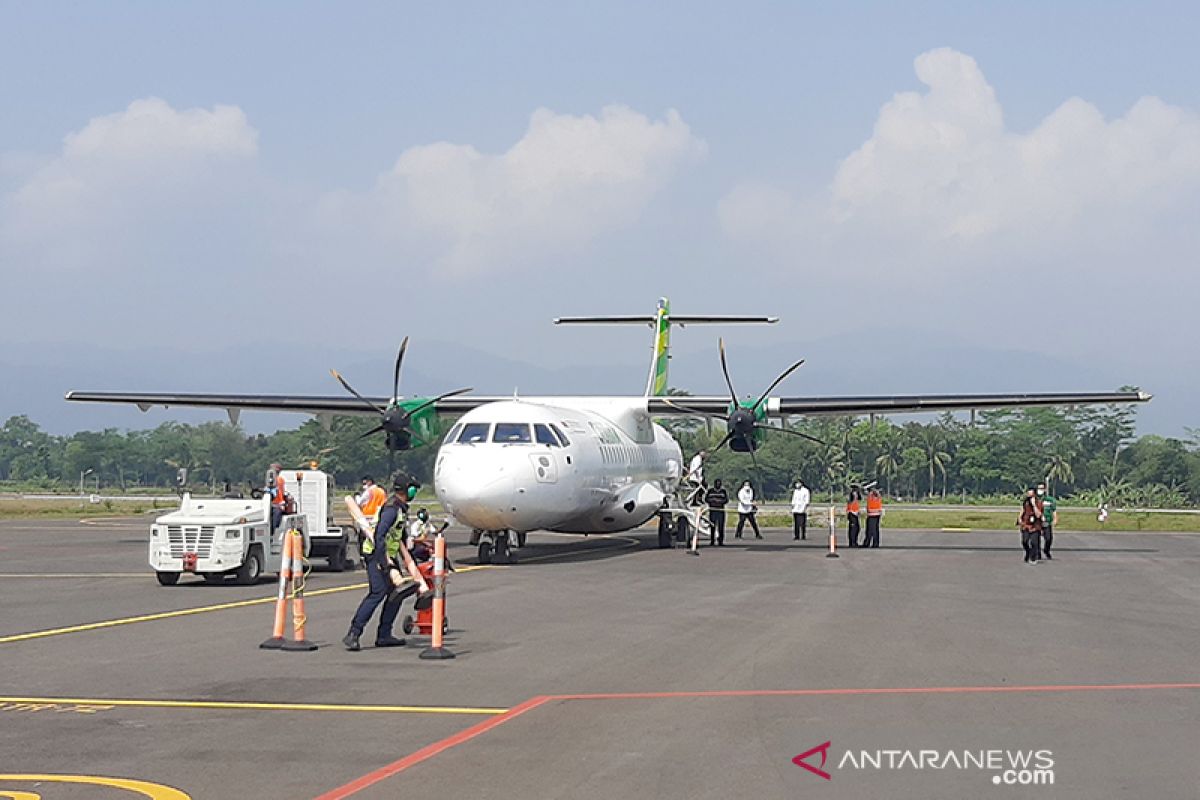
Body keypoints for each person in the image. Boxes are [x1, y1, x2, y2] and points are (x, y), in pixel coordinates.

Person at [343, 479, 411, 650]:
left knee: (396, 594)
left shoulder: (400, 509)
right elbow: (379, 536)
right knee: (377, 592)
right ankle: (354, 633)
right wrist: (385, 564)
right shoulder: (391, 510)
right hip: (376, 554)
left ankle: (384, 635)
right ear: (406, 490)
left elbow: (398, 538)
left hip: (389, 554)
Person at [1018, 489, 1043, 565]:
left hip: (1035, 525)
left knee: (1034, 542)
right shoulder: (1025, 502)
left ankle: (1033, 557)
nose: (1029, 497)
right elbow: (1022, 510)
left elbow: (1038, 515)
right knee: (1024, 541)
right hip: (1026, 524)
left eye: (1031, 495)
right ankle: (1028, 552)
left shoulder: (1038, 503)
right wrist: (1019, 518)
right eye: (1028, 495)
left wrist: (1034, 505)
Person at [705, 479, 729, 546]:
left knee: (721, 527)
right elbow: (706, 499)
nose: (718, 484)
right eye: (717, 483)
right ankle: (712, 541)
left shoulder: (723, 491)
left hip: (720, 511)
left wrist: (719, 502)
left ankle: (720, 541)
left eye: (719, 483)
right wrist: (712, 501)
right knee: (712, 526)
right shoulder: (710, 491)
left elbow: (726, 500)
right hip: (713, 511)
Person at [1037, 482, 1058, 559]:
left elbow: (1054, 510)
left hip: (1047, 521)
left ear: (1045, 489)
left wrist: (1055, 518)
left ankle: (1046, 550)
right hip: (1037, 522)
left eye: (1042, 488)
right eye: (1039, 488)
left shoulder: (1050, 500)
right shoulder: (1035, 499)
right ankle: (1037, 553)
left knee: (1048, 538)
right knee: (1036, 538)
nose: (1040, 490)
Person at [267, 463, 286, 533]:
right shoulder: (272, 480)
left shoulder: (279, 480)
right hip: (271, 504)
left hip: (277, 504)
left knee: (274, 521)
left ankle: (273, 532)